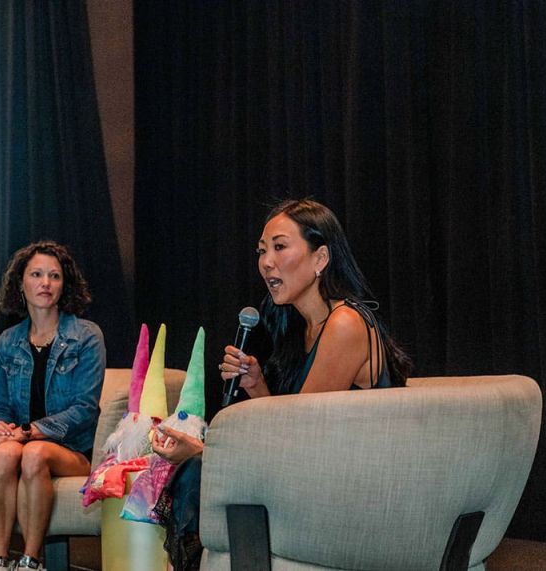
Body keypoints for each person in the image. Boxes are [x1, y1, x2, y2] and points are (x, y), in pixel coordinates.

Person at [151, 197, 412, 570]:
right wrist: (257, 386)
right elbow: (296, 434)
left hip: (353, 491)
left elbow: (298, 443)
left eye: (279, 247)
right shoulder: (303, 329)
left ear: (321, 258)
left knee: (197, 468)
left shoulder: (345, 324)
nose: (266, 262)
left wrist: (203, 451)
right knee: (200, 471)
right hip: (315, 475)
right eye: (262, 251)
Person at [0, 241, 106, 571]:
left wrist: (28, 431)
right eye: (36, 274)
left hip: (72, 450)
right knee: (5, 454)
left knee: (34, 453)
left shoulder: (86, 336)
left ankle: (30, 561)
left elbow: (84, 409)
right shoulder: (8, 341)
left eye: (54, 276)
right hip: (20, 442)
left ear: (65, 285)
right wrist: (0, 428)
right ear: (20, 282)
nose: (46, 283)